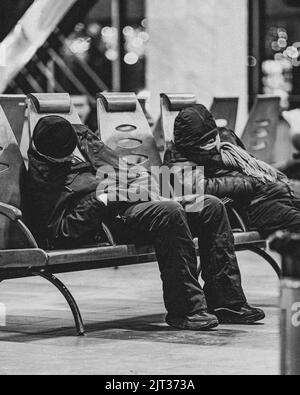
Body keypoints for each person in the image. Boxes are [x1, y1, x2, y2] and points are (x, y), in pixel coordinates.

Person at [25, 115, 265, 330]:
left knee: (209, 205)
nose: (71, 157)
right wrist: (104, 198)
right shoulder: (43, 179)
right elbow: (62, 232)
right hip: (110, 220)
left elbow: (126, 170)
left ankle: (227, 302)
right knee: (169, 212)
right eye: (65, 156)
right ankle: (186, 309)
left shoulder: (79, 137)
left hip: (135, 198)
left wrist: (147, 185)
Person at [164, 104, 300, 239]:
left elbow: (253, 167)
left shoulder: (225, 140)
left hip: (271, 194)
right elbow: (195, 189)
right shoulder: (176, 156)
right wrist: (246, 182)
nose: (213, 144)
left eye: (213, 137)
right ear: (190, 145)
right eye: (205, 142)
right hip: (246, 209)